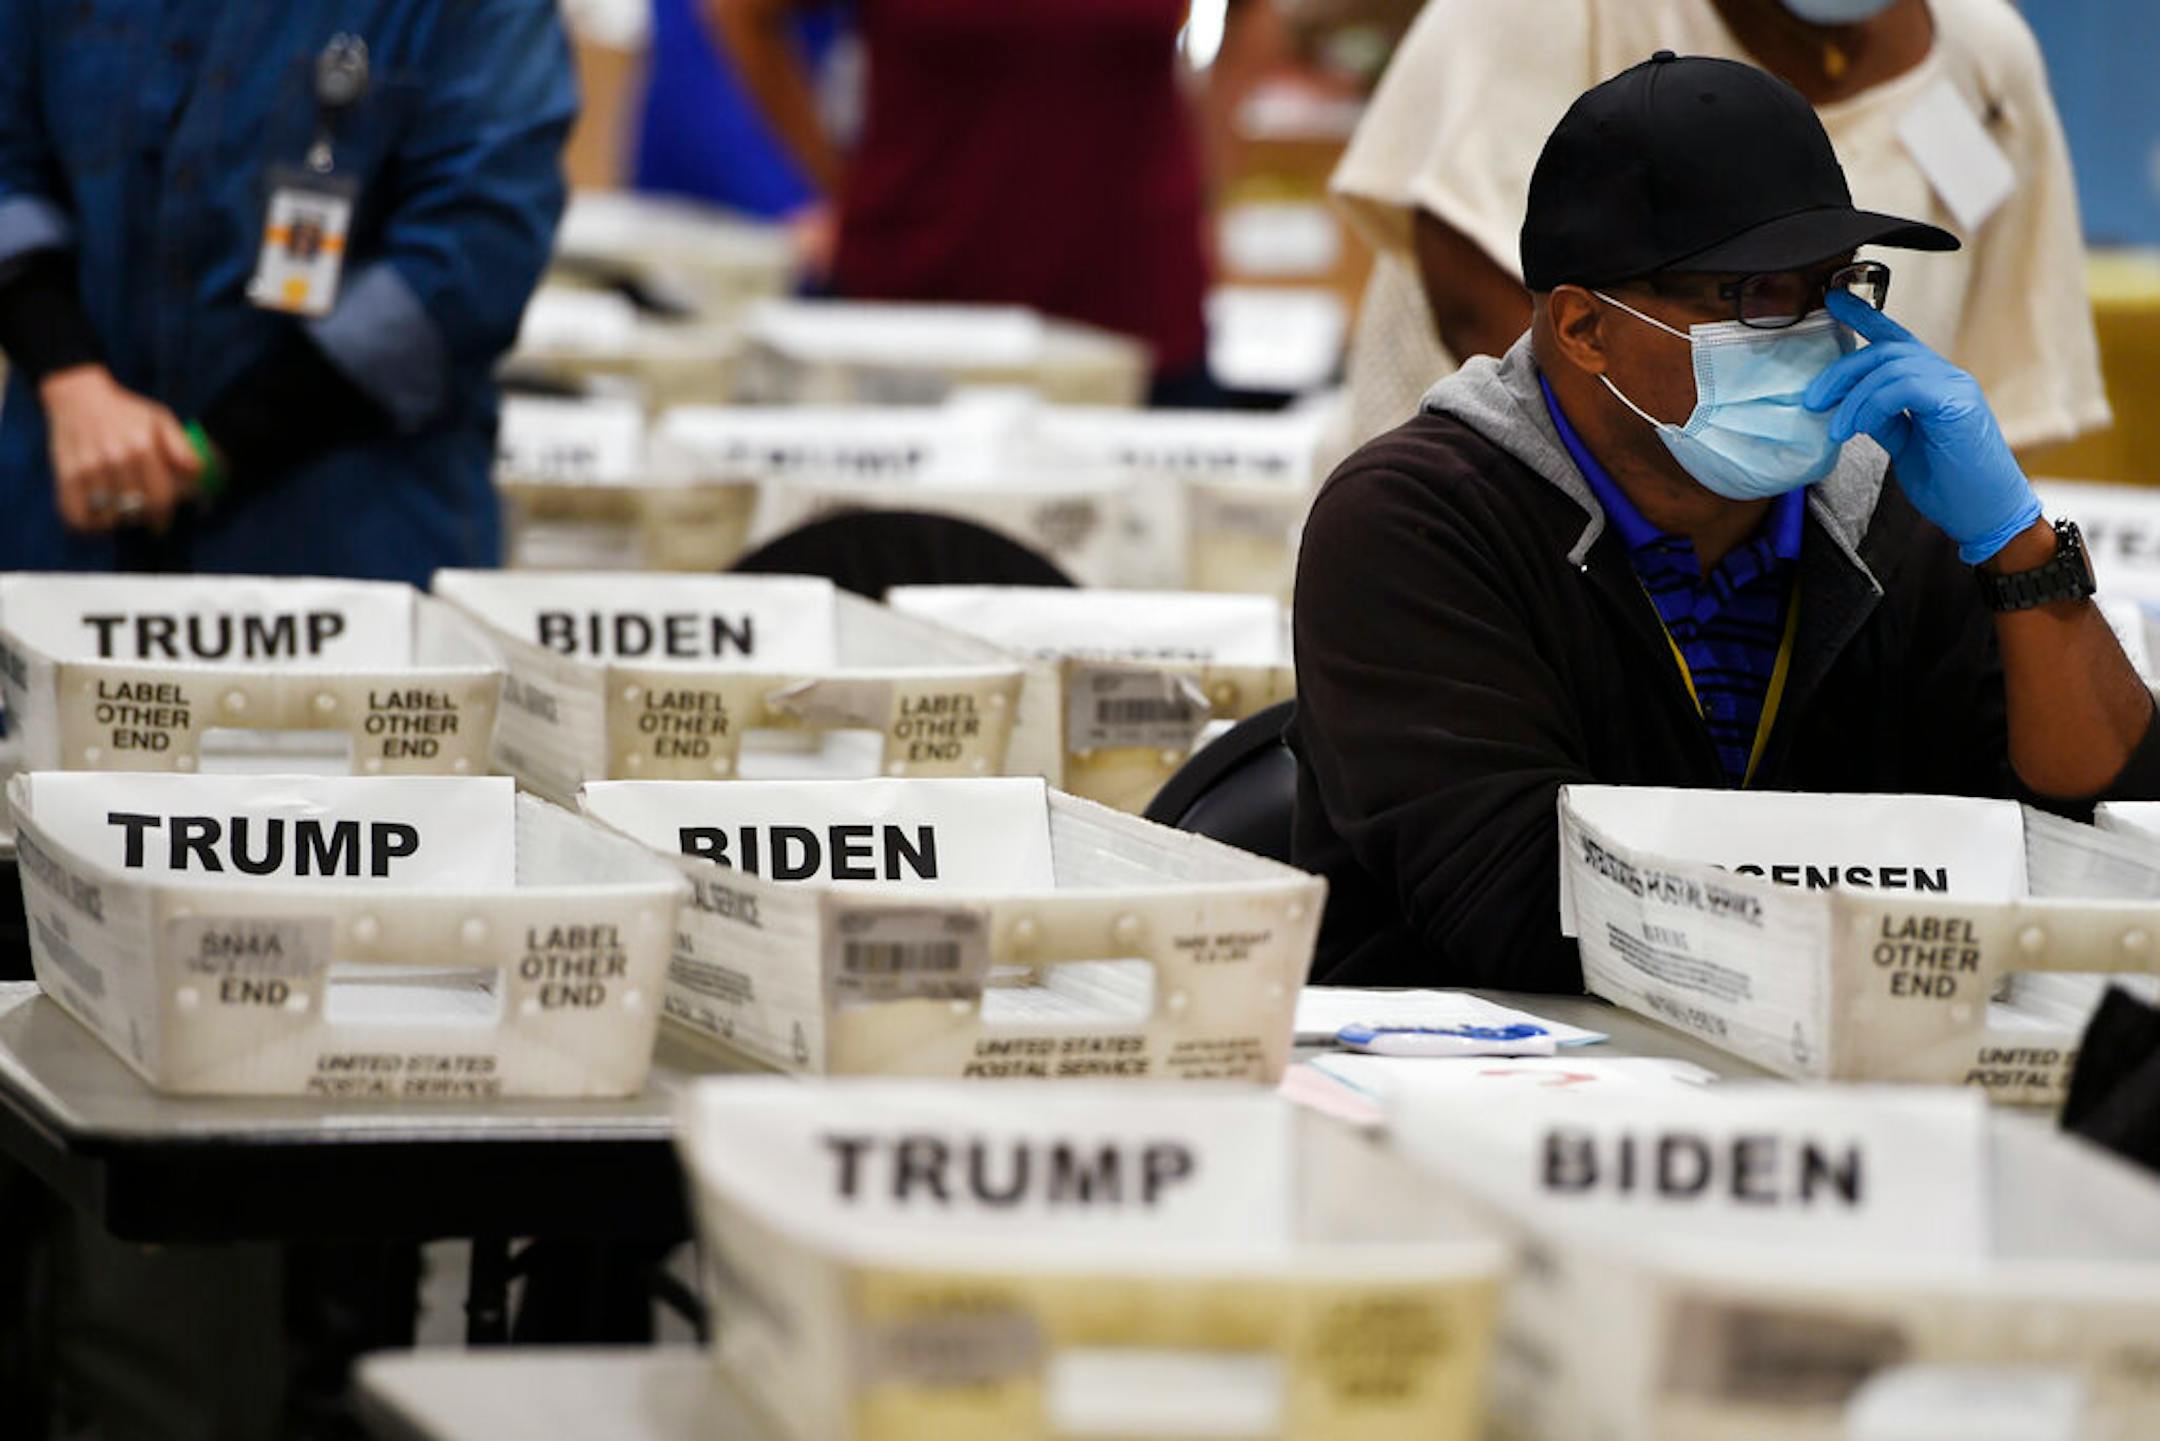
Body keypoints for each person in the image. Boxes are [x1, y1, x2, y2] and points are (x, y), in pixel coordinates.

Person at [1291, 54, 2160, 990]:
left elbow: (2107, 842)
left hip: (1847, 1089)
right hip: (1487, 1095)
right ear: (1585, 328)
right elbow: (1521, 910)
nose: (1823, 332)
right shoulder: (1416, 525)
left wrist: (2017, 545)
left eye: (1838, 284)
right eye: (1759, 294)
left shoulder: (1894, 514)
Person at [1329, 0, 2109, 453]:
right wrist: (1688, 521)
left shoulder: (1985, 57)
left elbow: (1998, 385)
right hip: (1513, 512)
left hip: (1811, 583)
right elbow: (1475, 289)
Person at [0, 2, 577, 584]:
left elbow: (476, 246)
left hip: (346, 535)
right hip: (67, 506)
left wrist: (207, 452)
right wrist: (72, 381)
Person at [714, 0, 1215, 403]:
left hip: (1133, 306)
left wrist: (1211, 173)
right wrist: (833, 177)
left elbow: (1255, 19)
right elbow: (746, 13)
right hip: (912, 304)